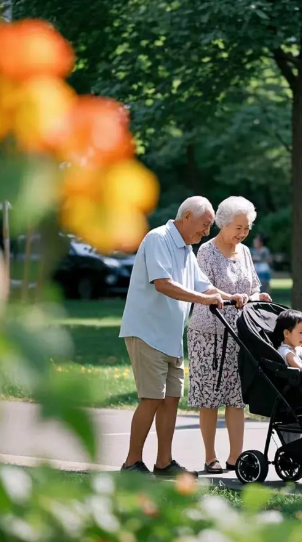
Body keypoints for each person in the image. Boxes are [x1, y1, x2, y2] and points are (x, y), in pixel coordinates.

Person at [119, 196, 243, 476]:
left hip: (169, 337)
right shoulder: (158, 238)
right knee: (151, 399)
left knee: (170, 399)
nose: (207, 232)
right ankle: (131, 463)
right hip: (146, 332)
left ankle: (164, 462)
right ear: (187, 216)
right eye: (205, 224)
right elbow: (163, 284)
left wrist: (229, 296)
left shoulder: (185, 248)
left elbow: (205, 286)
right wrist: (204, 299)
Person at [187, 197, 272, 474]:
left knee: (236, 397)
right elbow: (206, 289)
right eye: (238, 228)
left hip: (240, 335)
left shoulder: (245, 252)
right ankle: (210, 457)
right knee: (210, 397)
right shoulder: (206, 253)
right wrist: (229, 296)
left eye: (247, 228)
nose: (242, 233)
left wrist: (258, 296)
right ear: (222, 223)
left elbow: (254, 286)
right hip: (208, 334)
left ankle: (236, 458)